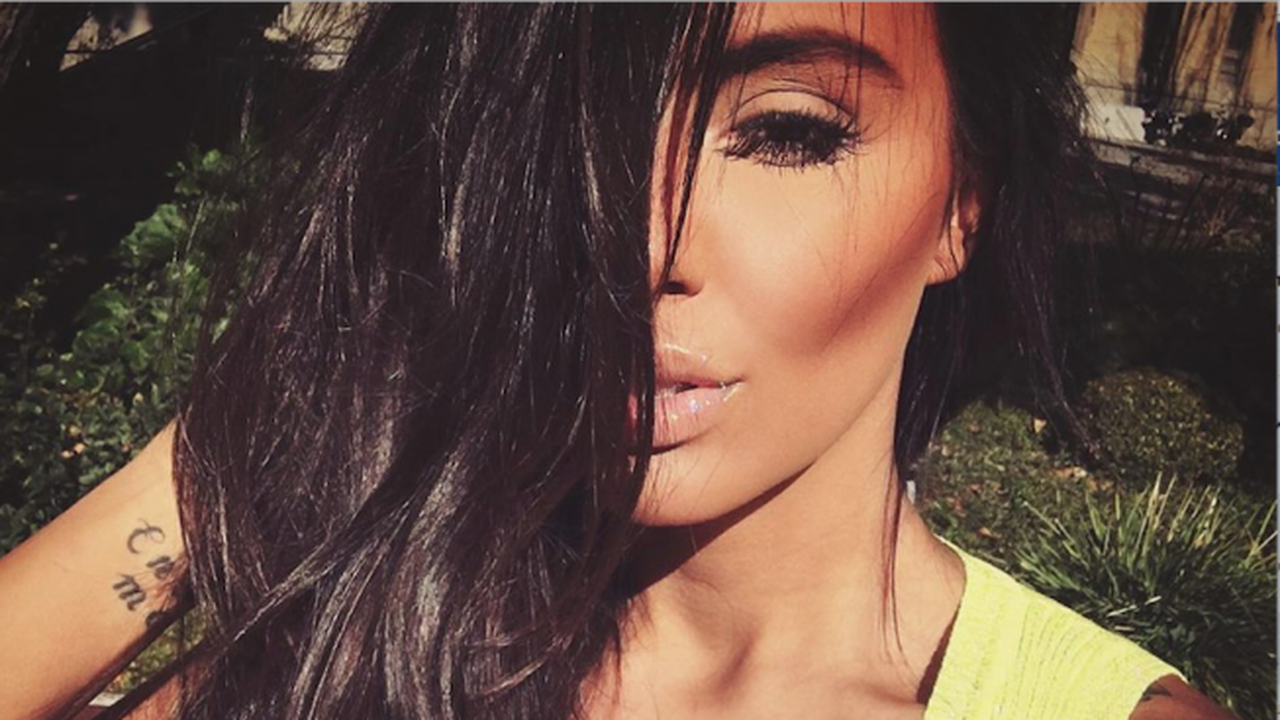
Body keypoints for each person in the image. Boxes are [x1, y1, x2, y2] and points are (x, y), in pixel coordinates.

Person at [0, 4, 1240, 719]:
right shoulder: (380, 641)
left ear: (961, 200)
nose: (631, 244)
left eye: (785, 133)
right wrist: (258, 434)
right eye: (561, 147)